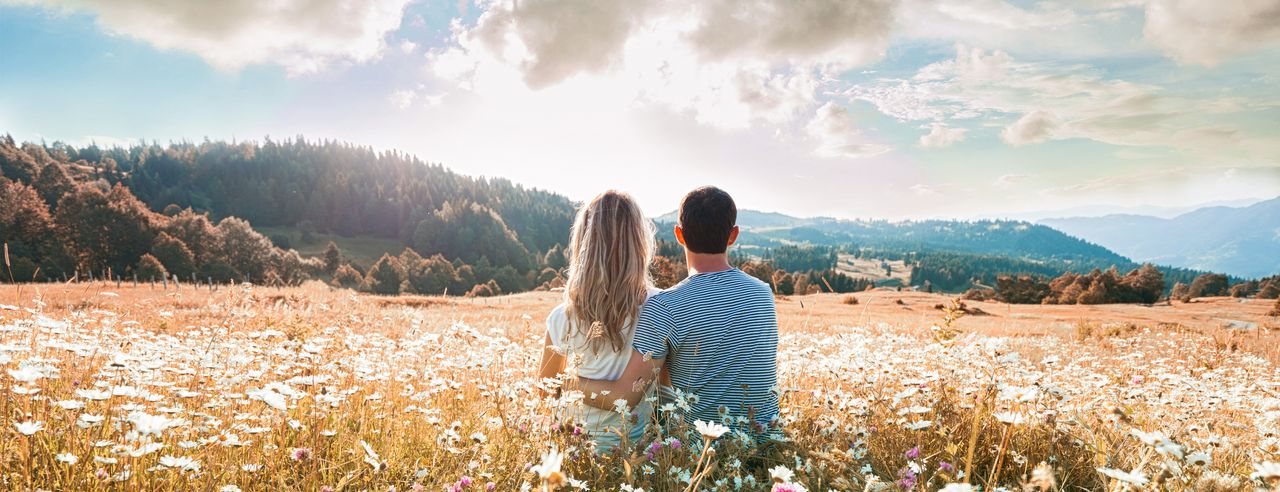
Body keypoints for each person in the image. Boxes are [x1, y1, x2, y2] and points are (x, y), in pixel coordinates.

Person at [577, 186, 779, 437]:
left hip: (701, 455)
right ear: (733, 235)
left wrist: (567, 382)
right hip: (768, 444)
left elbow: (625, 396)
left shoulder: (665, 307)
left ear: (678, 235)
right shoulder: (763, 293)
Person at [536, 190, 658, 451]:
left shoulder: (562, 317)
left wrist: (569, 382)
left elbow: (546, 391)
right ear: (640, 243)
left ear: (583, 243)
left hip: (570, 450)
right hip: (634, 451)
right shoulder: (658, 308)